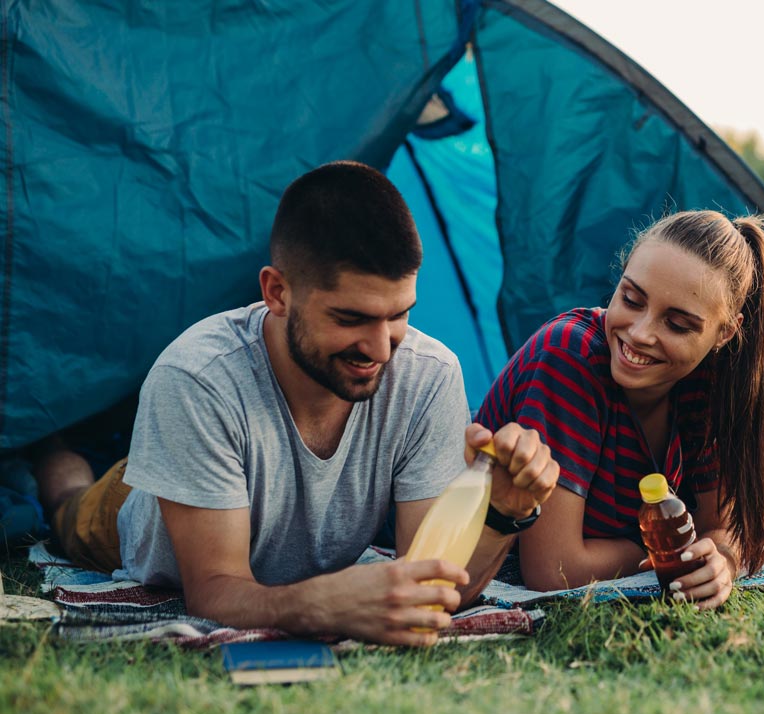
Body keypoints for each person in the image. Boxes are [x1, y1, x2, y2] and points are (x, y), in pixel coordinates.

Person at [33, 161, 558, 646]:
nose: (381, 349)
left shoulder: (430, 374)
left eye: (398, 315)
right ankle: (42, 444)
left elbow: (432, 581)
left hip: (230, 479)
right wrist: (323, 603)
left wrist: (503, 513)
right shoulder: (196, 377)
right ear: (277, 293)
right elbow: (213, 592)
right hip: (150, 503)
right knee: (69, 506)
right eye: (351, 319)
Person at [476, 210, 764, 610]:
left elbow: (725, 526)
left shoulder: (707, 383)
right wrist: (662, 549)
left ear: (724, 333)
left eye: (678, 325)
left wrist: (722, 561)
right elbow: (551, 571)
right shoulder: (568, 359)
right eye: (631, 299)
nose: (641, 334)